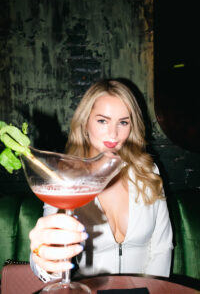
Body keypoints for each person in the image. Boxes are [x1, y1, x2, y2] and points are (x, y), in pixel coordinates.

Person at [29, 79, 173, 282]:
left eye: (123, 122)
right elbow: (48, 251)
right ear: (85, 122)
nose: (114, 134)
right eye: (102, 121)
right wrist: (44, 261)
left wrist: (151, 289)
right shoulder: (66, 179)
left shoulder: (147, 172)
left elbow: (162, 246)